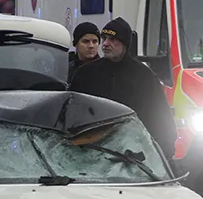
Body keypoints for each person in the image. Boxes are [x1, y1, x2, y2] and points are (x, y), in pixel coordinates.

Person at [68, 17, 177, 155]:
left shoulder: (145, 77)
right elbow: (71, 116)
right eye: (105, 38)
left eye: (112, 40)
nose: (105, 44)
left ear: (125, 44)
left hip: (133, 156)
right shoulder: (85, 74)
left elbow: (161, 120)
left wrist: (163, 155)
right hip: (91, 154)